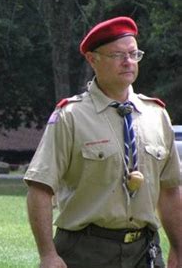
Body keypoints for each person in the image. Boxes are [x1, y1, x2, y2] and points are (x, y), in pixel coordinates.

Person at [24, 16, 182, 268]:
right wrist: (48, 254)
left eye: (133, 53)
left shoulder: (156, 115)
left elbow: (171, 189)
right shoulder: (70, 116)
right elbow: (40, 189)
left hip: (145, 251)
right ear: (92, 59)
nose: (128, 61)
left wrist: (179, 247)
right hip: (86, 250)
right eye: (117, 55)